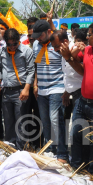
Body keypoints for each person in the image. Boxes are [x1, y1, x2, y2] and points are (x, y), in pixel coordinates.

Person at [64, 21, 93, 175]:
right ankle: (76, 167)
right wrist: (76, 51)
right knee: (76, 134)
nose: (87, 37)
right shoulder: (88, 49)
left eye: (90, 35)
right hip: (82, 101)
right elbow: (75, 57)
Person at [32, 19, 68, 163]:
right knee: (45, 121)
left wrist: (66, 90)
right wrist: (35, 84)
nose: (38, 39)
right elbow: (36, 65)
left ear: (48, 32)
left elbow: (66, 65)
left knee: (55, 120)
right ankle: (50, 149)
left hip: (57, 87)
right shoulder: (36, 45)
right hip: (41, 89)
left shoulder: (58, 44)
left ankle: (62, 153)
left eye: (40, 35)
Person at [0, 28, 34, 149]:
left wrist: (27, 89)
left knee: (20, 121)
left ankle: (20, 149)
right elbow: (0, 68)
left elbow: (31, 70)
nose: (12, 47)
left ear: (18, 41)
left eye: (14, 43)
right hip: (6, 91)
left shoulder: (26, 51)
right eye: (9, 44)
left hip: (20, 90)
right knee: (8, 121)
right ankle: (10, 148)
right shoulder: (2, 51)